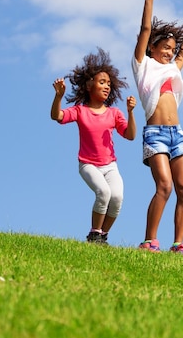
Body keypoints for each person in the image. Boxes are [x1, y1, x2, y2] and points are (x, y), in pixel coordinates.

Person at [132, 0, 183, 254]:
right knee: (164, 186)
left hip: (178, 134)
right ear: (152, 48)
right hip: (155, 133)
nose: (169, 52)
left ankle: (178, 244)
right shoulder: (142, 65)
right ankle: (149, 241)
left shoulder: (173, 68)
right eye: (164, 47)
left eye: (171, 49)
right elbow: (145, 30)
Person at [51, 48, 136, 245]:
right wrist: (58, 97)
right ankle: (95, 233)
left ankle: (101, 237)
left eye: (108, 83)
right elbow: (57, 116)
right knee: (103, 193)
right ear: (89, 85)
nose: (107, 87)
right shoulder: (80, 111)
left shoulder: (114, 113)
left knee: (117, 198)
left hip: (110, 165)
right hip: (88, 164)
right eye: (102, 82)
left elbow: (130, 135)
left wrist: (130, 112)